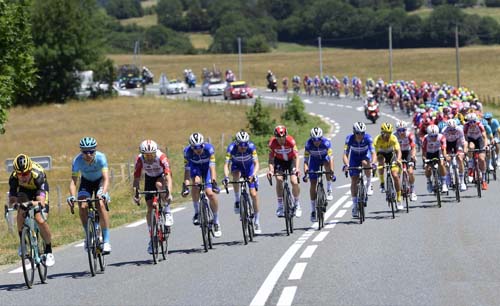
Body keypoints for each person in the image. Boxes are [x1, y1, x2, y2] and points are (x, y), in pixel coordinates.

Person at [67, 137, 112, 253]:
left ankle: (106, 241)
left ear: (95, 151)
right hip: (86, 182)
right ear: (81, 151)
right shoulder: (77, 161)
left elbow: (106, 178)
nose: (88, 154)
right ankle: (88, 235)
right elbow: (73, 181)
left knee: (100, 203)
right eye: (85, 152)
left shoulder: (101, 158)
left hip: (100, 181)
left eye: (91, 151)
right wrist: (72, 196)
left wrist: (104, 193)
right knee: (82, 205)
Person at [9, 154, 55, 267]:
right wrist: (16, 204)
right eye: (20, 174)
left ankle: (49, 251)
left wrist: (32, 203)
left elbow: (41, 201)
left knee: (40, 219)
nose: (23, 177)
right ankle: (23, 243)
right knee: (20, 210)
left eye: (25, 173)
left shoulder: (38, 175)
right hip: (25, 191)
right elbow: (12, 198)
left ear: (30, 170)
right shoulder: (14, 178)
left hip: (38, 190)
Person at [132, 140, 173, 254]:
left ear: (156, 152)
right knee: (150, 207)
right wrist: (136, 194)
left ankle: (168, 211)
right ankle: (152, 237)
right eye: (146, 155)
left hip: (161, 177)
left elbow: (168, 176)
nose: (149, 157)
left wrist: (168, 193)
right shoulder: (139, 160)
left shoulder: (161, 157)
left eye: (151, 154)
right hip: (149, 178)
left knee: (159, 185)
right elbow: (136, 179)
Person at [181, 132, 222, 237]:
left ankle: (216, 221)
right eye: (195, 148)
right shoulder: (187, 152)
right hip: (196, 168)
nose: (198, 150)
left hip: (207, 168)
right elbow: (187, 170)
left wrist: (213, 182)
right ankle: (197, 213)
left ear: (203, 144)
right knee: (195, 184)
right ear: (191, 147)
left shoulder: (209, 149)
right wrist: (185, 185)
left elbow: (212, 167)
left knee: (210, 193)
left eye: (200, 147)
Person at [222, 131, 261, 234]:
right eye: (241, 144)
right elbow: (226, 165)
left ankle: (257, 220)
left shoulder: (251, 147)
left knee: (253, 193)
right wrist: (226, 177)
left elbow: (257, 163)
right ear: (237, 143)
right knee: (235, 175)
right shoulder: (231, 148)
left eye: (245, 144)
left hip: (249, 169)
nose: (243, 147)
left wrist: (254, 175)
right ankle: (237, 200)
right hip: (237, 167)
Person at [267, 125, 302, 218]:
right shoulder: (272, 143)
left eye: (283, 138)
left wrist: (297, 169)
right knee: (279, 179)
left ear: (286, 136)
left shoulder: (291, 141)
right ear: (275, 137)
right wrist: (271, 170)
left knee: (294, 181)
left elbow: (297, 156)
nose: (281, 140)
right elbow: (271, 159)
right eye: (278, 138)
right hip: (279, 162)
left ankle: (297, 204)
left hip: (291, 161)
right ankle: (280, 206)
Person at [342, 122, 377, 218]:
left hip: (365, 155)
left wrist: (373, 163)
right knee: (354, 179)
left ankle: (369, 183)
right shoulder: (349, 139)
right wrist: (347, 165)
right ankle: (355, 205)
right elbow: (345, 154)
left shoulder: (368, 138)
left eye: (362, 133)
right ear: (354, 132)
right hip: (354, 157)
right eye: (358, 133)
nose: (360, 135)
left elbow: (373, 153)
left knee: (366, 164)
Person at [303, 127, 335, 222]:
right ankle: (313, 210)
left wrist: (331, 171)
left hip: (325, 158)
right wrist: (306, 173)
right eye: (314, 140)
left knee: (327, 165)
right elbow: (305, 160)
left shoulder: (326, 143)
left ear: (321, 138)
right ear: (311, 139)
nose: (316, 142)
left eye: (318, 140)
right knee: (313, 183)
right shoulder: (308, 145)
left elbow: (331, 158)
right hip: (314, 161)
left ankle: (329, 188)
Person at [374, 122, 403, 209]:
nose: (388, 136)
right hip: (381, 155)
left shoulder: (393, 138)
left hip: (391, 155)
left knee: (395, 175)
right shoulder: (377, 140)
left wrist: (398, 160)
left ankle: (398, 198)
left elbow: (398, 151)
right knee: (381, 162)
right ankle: (382, 183)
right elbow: (374, 154)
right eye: (386, 134)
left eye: (389, 133)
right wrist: (373, 164)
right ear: (382, 133)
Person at [394, 121, 418, 201]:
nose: (401, 133)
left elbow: (413, 147)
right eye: (399, 131)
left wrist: (413, 156)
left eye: (403, 130)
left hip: (407, 152)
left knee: (410, 172)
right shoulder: (394, 136)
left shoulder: (409, 135)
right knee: (396, 173)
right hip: (398, 153)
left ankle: (412, 190)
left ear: (406, 130)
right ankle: (398, 189)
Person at [463, 112, 488, 190]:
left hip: (479, 140)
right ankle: (470, 166)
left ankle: (484, 180)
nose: (472, 124)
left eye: (473, 121)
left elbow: (484, 136)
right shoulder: (466, 126)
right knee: (471, 146)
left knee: (482, 159)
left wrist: (486, 145)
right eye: (470, 122)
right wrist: (465, 148)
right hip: (471, 140)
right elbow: (465, 139)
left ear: (476, 121)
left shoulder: (479, 124)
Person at [442, 118, 467, 192]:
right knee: (448, 159)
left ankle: (462, 182)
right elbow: (443, 144)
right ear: (447, 128)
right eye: (451, 129)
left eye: (454, 129)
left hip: (457, 143)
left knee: (460, 158)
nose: (452, 131)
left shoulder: (459, 129)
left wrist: (464, 151)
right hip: (447, 144)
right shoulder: (444, 131)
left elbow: (463, 142)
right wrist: (445, 155)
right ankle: (448, 176)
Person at [422, 125, 448, 193]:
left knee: (442, 164)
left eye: (435, 136)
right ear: (428, 135)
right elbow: (424, 152)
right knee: (427, 168)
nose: (433, 138)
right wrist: (424, 160)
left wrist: (444, 157)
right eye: (431, 136)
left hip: (438, 151)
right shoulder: (425, 138)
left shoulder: (441, 137)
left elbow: (443, 149)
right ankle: (429, 181)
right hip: (429, 153)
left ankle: (444, 183)